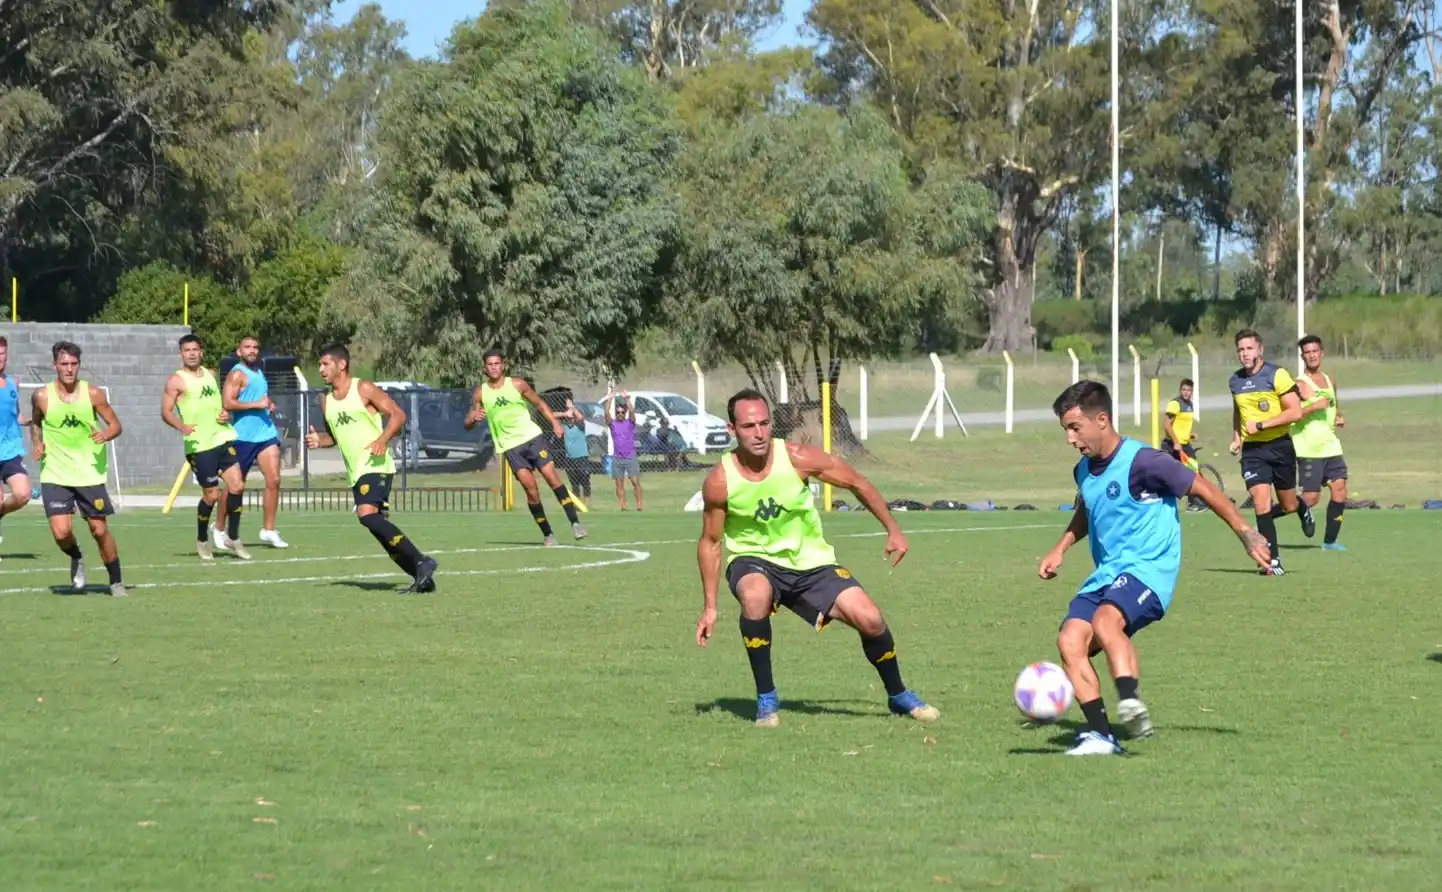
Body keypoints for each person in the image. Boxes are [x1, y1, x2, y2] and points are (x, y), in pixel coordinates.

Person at [1040, 381, 1271, 755]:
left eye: (1075, 428)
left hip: (1148, 569)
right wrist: (1060, 547)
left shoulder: (1145, 462)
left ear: (1102, 420)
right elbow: (1088, 510)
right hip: (1107, 573)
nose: (1070, 438)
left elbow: (1203, 489)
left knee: (1106, 621)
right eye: (1066, 429)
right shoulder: (1083, 470)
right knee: (1069, 640)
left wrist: (1246, 532)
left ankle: (1130, 701)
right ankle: (1101, 737)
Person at [694, 388, 939, 727]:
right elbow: (711, 541)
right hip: (754, 559)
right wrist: (710, 607)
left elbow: (857, 482)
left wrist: (893, 529)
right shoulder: (720, 481)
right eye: (749, 426)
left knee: (870, 619)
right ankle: (766, 699)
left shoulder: (797, 457)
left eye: (764, 423)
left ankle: (898, 695)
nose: (759, 433)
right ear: (732, 429)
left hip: (811, 563)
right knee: (754, 595)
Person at [305, 344, 438, 594]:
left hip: (376, 465)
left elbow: (398, 415)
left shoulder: (363, 388)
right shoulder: (325, 400)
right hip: (356, 471)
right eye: (319, 364)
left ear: (341, 364)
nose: (321, 369)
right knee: (378, 528)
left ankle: (422, 561)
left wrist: (382, 439)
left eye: (325, 364)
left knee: (366, 515)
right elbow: (334, 436)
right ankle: (421, 577)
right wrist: (318, 441)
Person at [30, 341, 128, 596]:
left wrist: (106, 435)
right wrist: (37, 443)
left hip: (88, 472)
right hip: (55, 472)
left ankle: (116, 581)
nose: (69, 369)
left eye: (74, 364)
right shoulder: (41, 396)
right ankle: (76, 556)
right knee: (61, 532)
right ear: (55, 365)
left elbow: (116, 425)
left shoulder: (93, 394)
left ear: (79, 365)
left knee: (99, 530)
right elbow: (36, 422)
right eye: (64, 364)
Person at [465, 350, 586, 546]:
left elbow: (540, 404)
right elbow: (468, 423)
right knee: (531, 490)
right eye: (490, 364)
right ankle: (548, 534)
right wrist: (472, 419)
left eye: (497, 363)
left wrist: (555, 422)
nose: (494, 367)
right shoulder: (480, 393)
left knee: (551, 477)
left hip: (532, 438)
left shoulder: (518, 384)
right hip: (511, 447)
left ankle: (575, 523)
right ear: (485, 368)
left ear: (503, 365)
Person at [1227, 328, 1314, 575]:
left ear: (1260, 349)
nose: (1245, 354)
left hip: (1280, 446)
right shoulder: (1235, 381)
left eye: (1249, 348)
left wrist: (1262, 425)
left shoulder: (1277, 375)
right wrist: (1237, 437)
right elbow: (1239, 411)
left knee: (1288, 505)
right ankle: (1271, 560)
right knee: (1261, 502)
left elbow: (1295, 412)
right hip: (1253, 451)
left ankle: (1301, 507)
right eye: (1241, 349)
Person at [162, 335, 248, 561]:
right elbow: (166, 412)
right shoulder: (176, 381)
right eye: (187, 350)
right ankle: (202, 539)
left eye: (195, 349)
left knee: (237, 486)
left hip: (222, 437)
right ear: (181, 354)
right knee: (212, 495)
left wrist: (225, 414)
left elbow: (219, 405)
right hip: (199, 445)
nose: (191, 354)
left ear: (201, 352)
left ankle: (233, 537)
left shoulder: (210, 374)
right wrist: (181, 426)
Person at [220, 336, 288, 552]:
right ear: (239, 351)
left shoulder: (259, 371)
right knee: (235, 486)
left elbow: (261, 398)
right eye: (247, 347)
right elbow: (227, 402)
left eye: (255, 347)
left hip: (265, 434)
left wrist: (269, 404)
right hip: (243, 437)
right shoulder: (237, 374)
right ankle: (219, 528)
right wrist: (256, 404)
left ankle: (268, 529)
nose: (252, 351)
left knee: (274, 480)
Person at [1292, 335, 1347, 551]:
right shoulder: (1299, 384)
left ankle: (1330, 542)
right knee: (1311, 498)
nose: (1312, 355)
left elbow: (1334, 402)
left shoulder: (1329, 379)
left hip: (1330, 445)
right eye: (1307, 352)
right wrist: (1314, 406)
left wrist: (1338, 415)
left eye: (1315, 351)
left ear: (1321, 353)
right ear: (1302, 356)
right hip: (1309, 449)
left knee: (1340, 489)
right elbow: (1292, 414)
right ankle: (1266, 518)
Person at [0, 336, 33, 548]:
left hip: (10, 450)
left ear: (7, 355)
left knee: (23, 495)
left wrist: (29, 420)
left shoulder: (13, 384)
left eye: (2, 354)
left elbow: (16, 415)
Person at [606, 389, 644, 511]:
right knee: (619, 483)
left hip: (630, 456)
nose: (620, 414)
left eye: (622, 412)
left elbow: (632, 411)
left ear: (625, 413)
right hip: (617, 458)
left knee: (635, 481)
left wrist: (626, 399)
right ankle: (623, 505)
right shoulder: (613, 424)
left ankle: (639, 504)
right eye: (618, 412)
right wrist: (610, 399)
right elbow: (606, 412)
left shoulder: (630, 423)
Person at [560, 400, 592, 508]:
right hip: (570, 459)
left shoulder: (580, 426)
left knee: (585, 481)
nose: (570, 419)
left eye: (572, 417)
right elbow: (551, 415)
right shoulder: (563, 426)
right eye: (569, 418)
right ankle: (577, 505)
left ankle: (585, 504)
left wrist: (572, 407)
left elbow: (581, 418)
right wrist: (565, 413)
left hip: (582, 458)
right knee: (574, 483)